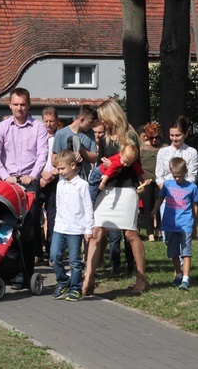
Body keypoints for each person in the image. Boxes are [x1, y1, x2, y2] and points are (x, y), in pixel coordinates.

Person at [83, 99, 148, 295]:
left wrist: (116, 165)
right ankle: (89, 278)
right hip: (108, 189)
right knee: (96, 233)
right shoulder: (104, 138)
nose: (103, 123)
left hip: (126, 189)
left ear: (113, 115)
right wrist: (104, 165)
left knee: (130, 234)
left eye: (105, 119)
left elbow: (129, 163)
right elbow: (103, 164)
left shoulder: (129, 136)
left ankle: (142, 278)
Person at [0, 88, 48, 286]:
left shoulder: (38, 127)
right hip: (8, 185)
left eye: (23, 104)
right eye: (16, 104)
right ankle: (8, 270)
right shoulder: (2, 128)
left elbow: (42, 154)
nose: (19, 108)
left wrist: (33, 175)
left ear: (28, 105)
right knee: (6, 227)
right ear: (10, 105)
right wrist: (5, 176)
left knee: (28, 231)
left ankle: (27, 272)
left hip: (29, 184)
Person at [50, 150, 94, 302]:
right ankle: (62, 282)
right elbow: (59, 204)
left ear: (73, 165)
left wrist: (88, 229)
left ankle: (76, 288)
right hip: (60, 226)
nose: (60, 172)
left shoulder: (82, 185)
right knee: (54, 255)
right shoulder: (60, 184)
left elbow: (88, 207)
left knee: (74, 260)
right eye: (58, 169)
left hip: (75, 228)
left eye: (62, 169)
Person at [152, 157, 197, 291]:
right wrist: (154, 210)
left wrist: (195, 223)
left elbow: (195, 206)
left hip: (185, 224)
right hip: (170, 224)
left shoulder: (192, 187)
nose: (177, 178)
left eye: (180, 176)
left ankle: (186, 279)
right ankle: (178, 274)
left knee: (186, 252)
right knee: (173, 252)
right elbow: (160, 198)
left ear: (186, 172)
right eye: (175, 176)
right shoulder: (167, 185)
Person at [36, 106, 60, 263]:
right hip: (38, 179)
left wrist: (52, 175)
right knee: (35, 217)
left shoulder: (61, 137)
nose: (49, 124)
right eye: (46, 121)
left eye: (51, 121)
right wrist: (41, 175)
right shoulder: (37, 136)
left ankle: (52, 251)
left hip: (55, 179)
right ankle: (37, 251)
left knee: (53, 218)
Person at [155, 116, 198, 187]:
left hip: (185, 191)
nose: (174, 138)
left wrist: (180, 191)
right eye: (172, 135)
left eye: (178, 135)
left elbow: (192, 176)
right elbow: (159, 176)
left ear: (186, 134)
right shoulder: (162, 152)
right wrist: (166, 191)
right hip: (167, 192)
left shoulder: (192, 152)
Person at [138, 122, 163, 242]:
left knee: (158, 206)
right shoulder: (141, 148)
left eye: (156, 137)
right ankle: (150, 234)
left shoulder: (164, 148)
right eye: (151, 137)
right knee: (147, 207)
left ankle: (159, 230)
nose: (154, 140)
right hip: (146, 180)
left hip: (159, 180)